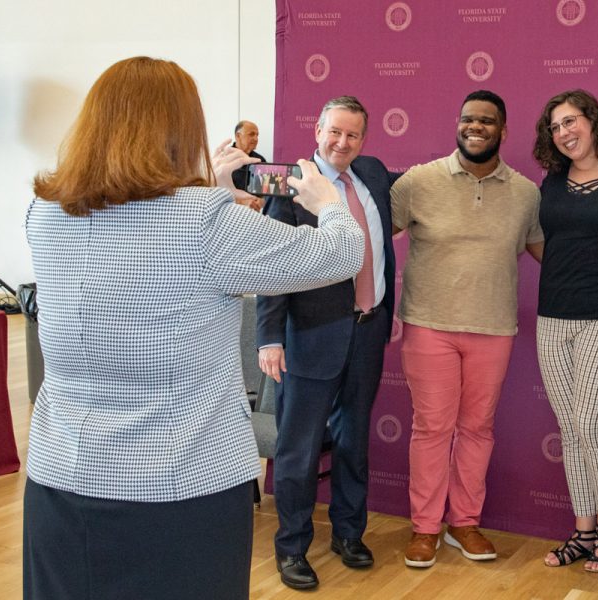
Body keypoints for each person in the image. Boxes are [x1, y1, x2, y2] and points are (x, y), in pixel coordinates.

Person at [23, 56, 365, 600]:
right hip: (181, 486)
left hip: (63, 479)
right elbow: (340, 254)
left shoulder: (43, 213)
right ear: (184, 130)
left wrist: (205, 187)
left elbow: (132, 241)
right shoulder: (205, 221)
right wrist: (326, 201)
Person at [390, 90, 544, 568]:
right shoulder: (418, 181)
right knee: (432, 428)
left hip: (494, 327)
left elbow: (549, 254)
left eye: (487, 121)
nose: (475, 126)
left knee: (477, 428)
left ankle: (464, 523)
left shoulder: (526, 193)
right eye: (468, 119)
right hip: (428, 325)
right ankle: (425, 528)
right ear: (458, 124)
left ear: (503, 130)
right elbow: (367, 237)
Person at [256, 96, 398, 590]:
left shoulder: (374, 176)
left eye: (353, 135)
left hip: (369, 330)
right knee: (297, 451)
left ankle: (348, 533)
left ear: (365, 139)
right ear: (317, 129)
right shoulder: (291, 186)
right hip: (311, 337)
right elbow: (272, 264)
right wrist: (270, 337)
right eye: (334, 131)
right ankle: (292, 547)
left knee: (354, 442)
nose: (342, 143)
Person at [531, 90, 598, 572]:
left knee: (595, 425)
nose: (564, 133)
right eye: (555, 127)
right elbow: (543, 243)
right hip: (552, 316)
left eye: (570, 121)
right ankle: (584, 527)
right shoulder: (551, 183)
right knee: (571, 429)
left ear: (593, 121)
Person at [230, 119, 267, 191]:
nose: (256, 139)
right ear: (238, 136)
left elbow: (265, 188)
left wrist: (261, 200)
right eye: (251, 134)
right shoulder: (224, 158)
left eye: (257, 135)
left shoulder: (260, 160)